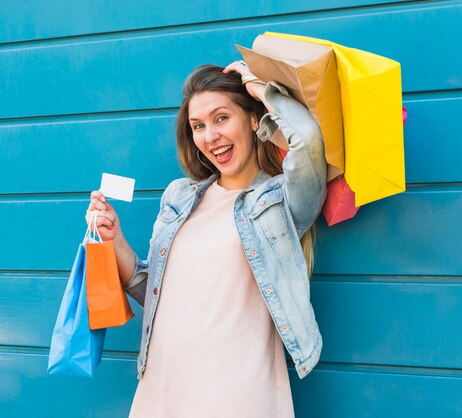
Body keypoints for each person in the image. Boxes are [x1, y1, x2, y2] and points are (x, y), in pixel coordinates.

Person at [86, 61, 327, 417]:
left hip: (236, 391)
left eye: (221, 118)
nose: (209, 136)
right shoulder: (179, 196)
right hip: (164, 383)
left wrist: (258, 87)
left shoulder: (279, 200)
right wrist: (114, 238)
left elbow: (307, 139)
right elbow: (151, 289)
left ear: (252, 120)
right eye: (198, 126)